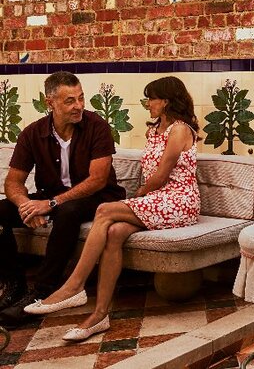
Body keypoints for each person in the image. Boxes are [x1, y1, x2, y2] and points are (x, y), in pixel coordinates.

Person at [23, 76, 201, 342]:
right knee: (115, 231)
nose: (148, 104)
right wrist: (139, 198)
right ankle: (99, 316)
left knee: (105, 210)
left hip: (179, 201)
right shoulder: (154, 130)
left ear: (165, 101)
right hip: (157, 201)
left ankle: (74, 286)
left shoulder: (180, 129)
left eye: (150, 99)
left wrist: (137, 196)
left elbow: (161, 176)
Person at [0, 71, 126, 326]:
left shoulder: (97, 126)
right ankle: (14, 284)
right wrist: (27, 207)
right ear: (50, 103)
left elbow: (98, 179)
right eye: (70, 101)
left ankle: (44, 291)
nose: (78, 106)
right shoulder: (32, 133)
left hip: (97, 199)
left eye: (81, 98)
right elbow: (13, 182)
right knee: (1, 211)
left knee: (68, 211)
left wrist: (51, 204)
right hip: (51, 199)